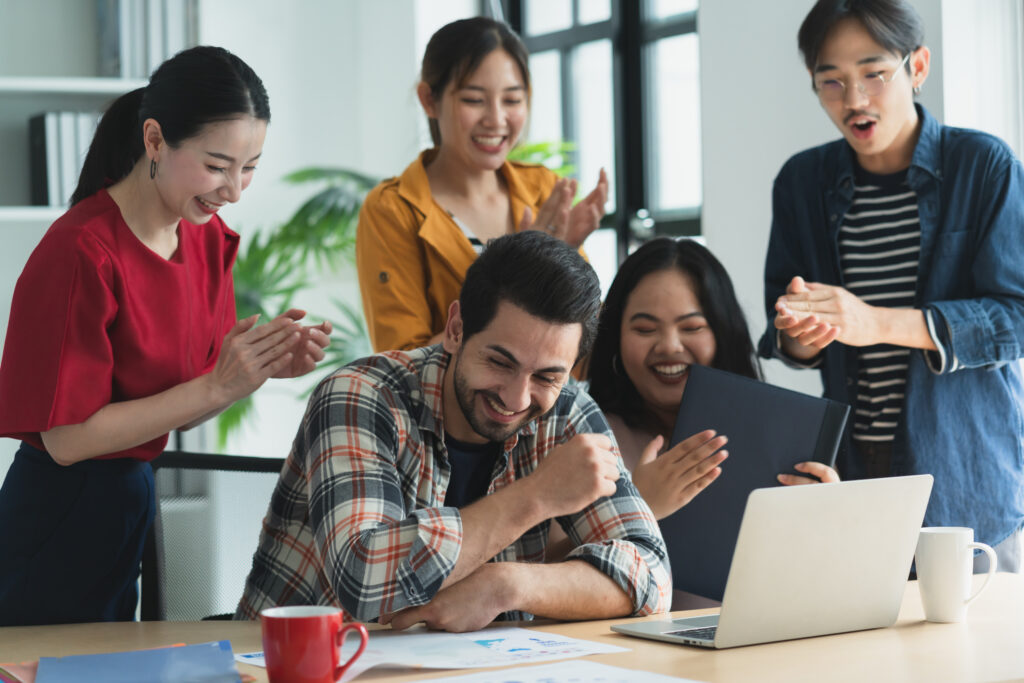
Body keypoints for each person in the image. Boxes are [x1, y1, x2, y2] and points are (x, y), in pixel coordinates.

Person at [0, 46, 332, 626]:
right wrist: (215, 386)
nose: (234, 189)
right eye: (217, 164)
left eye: (249, 166)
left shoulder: (208, 241)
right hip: (58, 512)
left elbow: (182, 411)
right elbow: (67, 440)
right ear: (155, 141)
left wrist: (253, 371)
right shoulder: (81, 251)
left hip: (130, 501)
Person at [236, 231, 671, 632]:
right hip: (299, 665)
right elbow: (364, 579)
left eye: (547, 376)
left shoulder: (568, 413)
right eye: (500, 362)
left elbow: (652, 577)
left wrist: (507, 585)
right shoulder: (362, 395)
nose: (517, 398)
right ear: (456, 329)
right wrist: (536, 496)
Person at [759, 0, 1024, 571]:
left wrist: (872, 321)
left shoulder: (984, 166)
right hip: (849, 473)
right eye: (831, 81)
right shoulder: (802, 183)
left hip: (965, 474)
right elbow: (787, 334)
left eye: (874, 74)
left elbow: (1016, 317)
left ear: (918, 67)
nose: (854, 100)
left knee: (979, 655)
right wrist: (804, 330)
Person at [356, 16, 608, 352]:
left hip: (555, 401)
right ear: (429, 100)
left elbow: (586, 341)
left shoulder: (542, 189)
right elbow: (403, 360)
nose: (496, 119)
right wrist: (529, 276)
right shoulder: (393, 209)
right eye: (474, 100)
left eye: (512, 100)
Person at [587, 238, 838, 524]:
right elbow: (548, 559)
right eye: (645, 329)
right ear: (614, 337)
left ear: (723, 333)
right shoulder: (585, 436)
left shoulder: (785, 440)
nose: (669, 346)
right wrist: (639, 508)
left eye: (692, 327)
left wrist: (829, 515)